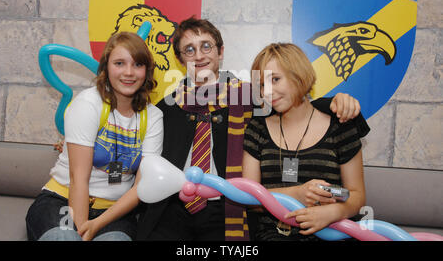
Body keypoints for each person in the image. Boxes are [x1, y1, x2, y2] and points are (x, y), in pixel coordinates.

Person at [136, 17, 361, 241]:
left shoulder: (248, 98)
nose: (199, 55)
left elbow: (293, 101)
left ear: (220, 52)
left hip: (225, 210)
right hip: (173, 209)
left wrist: (334, 104)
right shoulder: (167, 109)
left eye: (206, 46)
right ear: (179, 59)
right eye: (189, 49)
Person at [26, 32, 163, 241]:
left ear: (146, 71)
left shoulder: (153, 117)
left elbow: (140, 189)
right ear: (106, 67)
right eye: (119, 63)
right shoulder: (88, 103)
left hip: (113, 213)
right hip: (61, 201)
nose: (129, 72)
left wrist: (97, 224)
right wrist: (82, 230)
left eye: (137, 65)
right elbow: (78, 178)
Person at [242, 43, 369, 241]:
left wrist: (332, 212)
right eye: (262, 85)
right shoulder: (257, 129)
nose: (267, 91)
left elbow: (357, 195)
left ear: (298, 75)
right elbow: (250, 199)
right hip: (273, 235)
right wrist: (296, 194)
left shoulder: (340, 126)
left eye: (275, 79)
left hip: (331, 233)